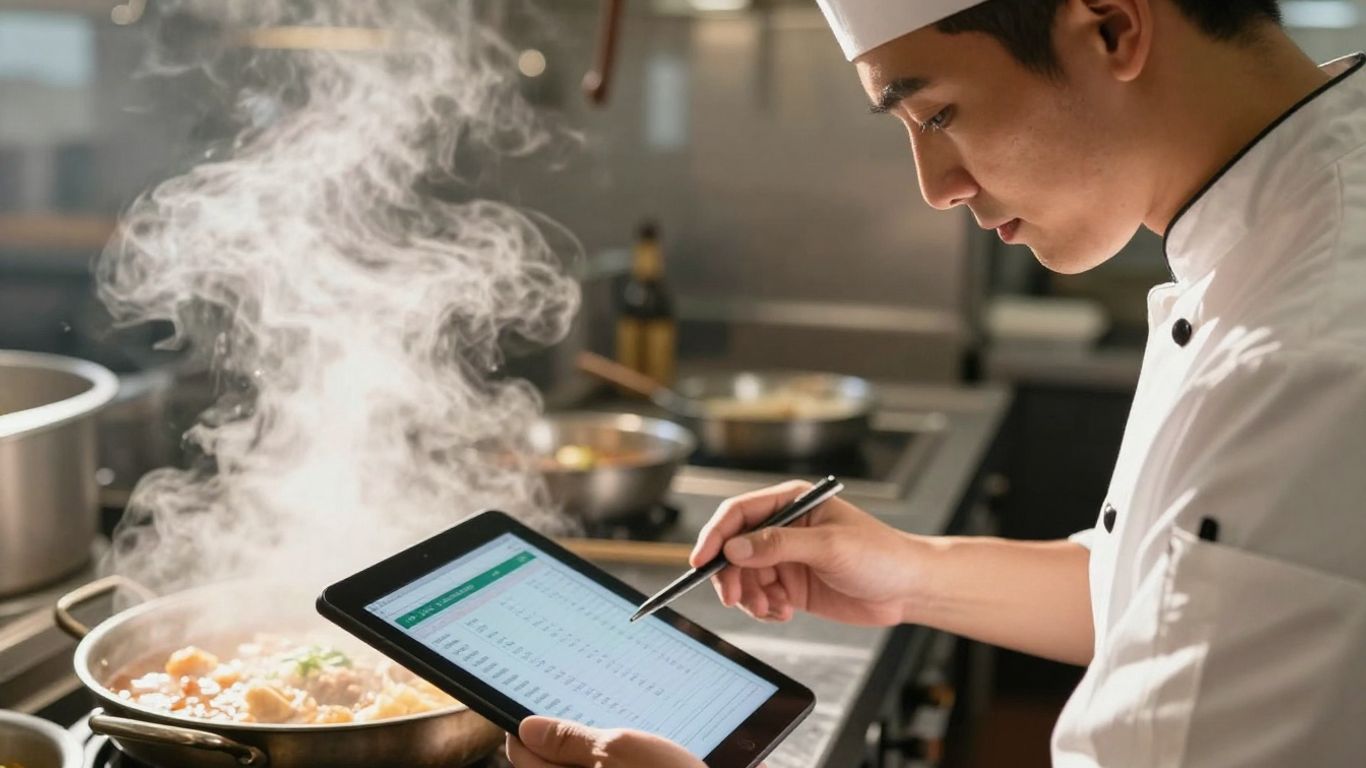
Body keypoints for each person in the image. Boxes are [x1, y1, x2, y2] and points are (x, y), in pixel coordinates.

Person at [507, 0, 1366, 765]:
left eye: (939, 113)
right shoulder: (1283, 233)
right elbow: (1166, 597)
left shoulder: (1308, 358)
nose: (936, 187)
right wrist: (911, 573)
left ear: (1111, 28)